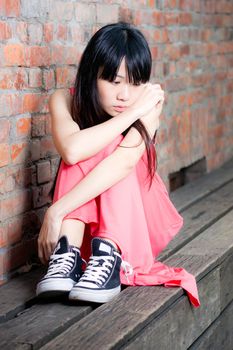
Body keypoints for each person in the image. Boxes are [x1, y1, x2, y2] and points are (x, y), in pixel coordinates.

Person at [36, 22, 200, 307]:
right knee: (86, 145)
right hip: (83, 223)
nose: (125, 95)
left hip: (133, 221)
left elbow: (123, 164)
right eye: (114, 81)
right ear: (93, 75)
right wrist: (132, 113)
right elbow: (72, 151)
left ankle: (108, 255)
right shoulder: (63, 99)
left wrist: (56, 211)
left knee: (112, 149)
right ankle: (67, 255)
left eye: (135, 83)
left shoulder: (149, 106)